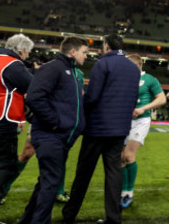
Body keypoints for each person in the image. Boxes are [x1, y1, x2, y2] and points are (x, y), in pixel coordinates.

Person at [62, 34, 140, 224]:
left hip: (97, 128)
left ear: (106, 46)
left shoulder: (103, 64)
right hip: (120, 128)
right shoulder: (133, 68)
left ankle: (69, 215)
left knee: (83, 173)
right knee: (114, 174)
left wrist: (83, 104)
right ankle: (114, 218)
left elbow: (93, 97)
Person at [19, 37, 88, 224]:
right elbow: (34, 98)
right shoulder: (53, 68)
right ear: (73, 52)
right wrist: (53, 122)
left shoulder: (72, 72)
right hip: (51, 136)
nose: (86, 56)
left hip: (62, 138)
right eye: (84, 52)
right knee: (50, 184)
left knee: (46, 183)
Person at [0, 34, 33, 224]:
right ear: (21, 50)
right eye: (28, 52)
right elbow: (33, 86)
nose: (28, 56)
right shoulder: (12, 65)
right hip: (0, 125)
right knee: (5, 169)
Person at [120, 54, 166, 208]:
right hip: (124, 120)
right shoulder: (125, 79)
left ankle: (129, 193)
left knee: (128, 155)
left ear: (139, 64)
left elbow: (162, 99)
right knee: (120, 158)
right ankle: (123, 192)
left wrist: (143, 109)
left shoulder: (150, 79)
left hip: (141, 120)